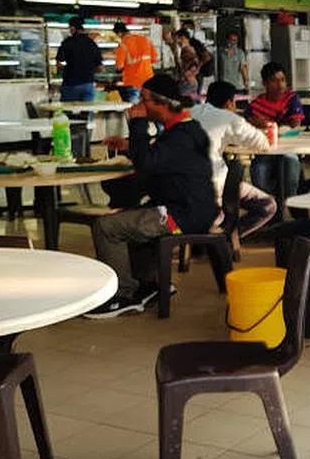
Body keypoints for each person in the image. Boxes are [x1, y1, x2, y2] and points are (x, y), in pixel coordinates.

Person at [86, 74, 217, 318]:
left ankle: (122, 296)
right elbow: (159, 158)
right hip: (189, 208)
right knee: (128, 217)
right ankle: (149, 285)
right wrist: (130, 146)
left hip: (182, 216)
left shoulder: (181, 135)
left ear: (162, 103)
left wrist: (137, 123)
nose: (139, 105)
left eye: (144, 100)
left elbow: (147, 164)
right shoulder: (184, 129)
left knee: (106, 227)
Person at [191, 81, 277, 237]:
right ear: (229, 103)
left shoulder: (192, 112)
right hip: (213, 187)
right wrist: (264, 127)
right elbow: (262, 143)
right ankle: (229, 237)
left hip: (182, 186)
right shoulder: (228, 118)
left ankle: (218, 236)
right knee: (267, 205)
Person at [246, 62, 305, 205]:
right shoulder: (256, 104)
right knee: (259, 173)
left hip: (289, 148)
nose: (280, 85)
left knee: (291, 172)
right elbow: (247, 122)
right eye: (274, 80)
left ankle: (284, 204)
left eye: (283, 80)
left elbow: (295, 123)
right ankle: (271, 209)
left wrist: (266, 123)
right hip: (265, 149)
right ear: (265, 83)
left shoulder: (291, 99)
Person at [55, 16, 102, 101]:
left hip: (70, 83)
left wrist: (65, 69)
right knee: (86, 108)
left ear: (72, 28)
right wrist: (89, 70)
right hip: (88, 83)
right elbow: (100, 67)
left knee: (69, 108)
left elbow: (58, 63)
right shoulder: (91, 43)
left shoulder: (67, 42)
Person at [113, 21, 158, 104]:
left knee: (134, 108)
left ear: (119, 33)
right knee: (148, 107)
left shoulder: (123, 45)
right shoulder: (146, 40)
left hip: (132, 82)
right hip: (149, 81)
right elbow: (155, 59)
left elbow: (119, 66)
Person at [173, 29, 201, 97]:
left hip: (188, 83)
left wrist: (188, 75)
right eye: (177, 39)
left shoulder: (187, 50)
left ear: (187, 38)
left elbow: (194, 63)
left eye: (181, 38)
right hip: (191, 82)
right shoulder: (190, 49)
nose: (178, 41)